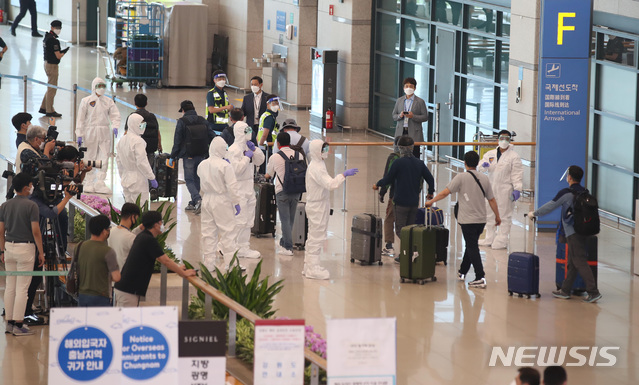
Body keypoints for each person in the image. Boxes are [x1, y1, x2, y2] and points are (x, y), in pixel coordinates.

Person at [425, 151, 501, 289]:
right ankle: (462, 272)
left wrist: (431, 202)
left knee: (472, 247)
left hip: (468, 219)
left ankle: (480, 277)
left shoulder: (461, 177)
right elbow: (492, 199)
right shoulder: (484, 178)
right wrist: (497, 216)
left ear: (465, 163)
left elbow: (445, 193)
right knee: (470, 245)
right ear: (477, 163)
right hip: (480, 220)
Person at [529, 165, 602, 303]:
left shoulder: (566, 193)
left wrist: (535, 213)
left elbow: (551, 205)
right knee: (573, 262)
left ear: (569, 177)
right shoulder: (584, 192)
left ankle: (593, 292)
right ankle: (565, 290)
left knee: (579, 260)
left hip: (573, 232)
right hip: (584, 231)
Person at [114, 211, 196, 307]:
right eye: (161, 222)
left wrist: (177, 267)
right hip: (128, 290)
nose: (162, 225)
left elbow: (162, 258)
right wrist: (183, 273)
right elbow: (165, 261)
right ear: (156, 224)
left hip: (124, 287)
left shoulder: (142, 236)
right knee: (126, 320)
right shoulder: (149, 240)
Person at [373, 136, 435, 262]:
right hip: (413, 202)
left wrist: (377, 184)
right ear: (412, 148)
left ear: (400, 148)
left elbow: (388, 179)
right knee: (410, 228)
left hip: (400, 202)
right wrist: (430, 193)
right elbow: (430, 179)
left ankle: (411, 252)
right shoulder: (419, 163)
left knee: (401, 231)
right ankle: (406, 254)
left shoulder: (398, 162)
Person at [304, 140, 358, 279]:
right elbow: (331, 184)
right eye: (324, 149)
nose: (326, 151)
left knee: (314, 236)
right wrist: (343, 175)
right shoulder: (317, 167)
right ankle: (312, 268)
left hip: (318, 204)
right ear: (317, 150)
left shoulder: (318, 163)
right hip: (317, 206)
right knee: (317, 237)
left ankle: (309, 265)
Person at [0, 173, 45, 336]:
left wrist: (2, 250)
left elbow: (1, 231)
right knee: (22, 289)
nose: (32, 188)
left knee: (10, 287)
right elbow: (36, 231)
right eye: (31, 185)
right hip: (25, 249)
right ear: (26, 187)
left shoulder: (5, 205)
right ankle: (19, 324)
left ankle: (9, 323)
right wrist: (41, 252)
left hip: (9, 248)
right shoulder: (31, 206)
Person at [197, 137, 242, 269]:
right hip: (221, 200)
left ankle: (209, 263)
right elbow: (232, 186)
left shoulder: (202, 164)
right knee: (228, 232)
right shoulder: (225, 165)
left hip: (207, 199)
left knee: (208, 232)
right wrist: (236, 202)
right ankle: (231, 263)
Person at [477, 130, 523, 249]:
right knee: (489, 213)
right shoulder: (490, 154)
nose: (504, 141)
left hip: (505, 189)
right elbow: (480, 167)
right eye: (502, 138)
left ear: (510, 140)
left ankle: (502, 240)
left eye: (507, 139)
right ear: (498, 139)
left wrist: (517, 188)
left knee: (504, 214)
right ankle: (489, 237)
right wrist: (484, 166)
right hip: (491, 187)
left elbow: (517, 174)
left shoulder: (514, 157)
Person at [76, 77, 121, 194]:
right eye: (99, 86)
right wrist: (79, 134)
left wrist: (115, 126)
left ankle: (100, 182)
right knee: (89, 155)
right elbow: (80, 119)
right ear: (93, 87)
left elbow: (115, 115)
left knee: (104, 156)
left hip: (104, 131)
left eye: (103, 86)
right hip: (89, 131)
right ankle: (88, 181)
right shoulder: (86, 101)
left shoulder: (108, 101)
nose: (101, 89)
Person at [169, 100, 216, 212]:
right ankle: (193, 202)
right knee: (197, 177)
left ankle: (197, 199)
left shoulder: (182, 121)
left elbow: (177, 141)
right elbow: (212, 136)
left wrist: (173, 156)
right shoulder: (202, 120)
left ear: (183, 110)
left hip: (188, 155)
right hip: (202, 154)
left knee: (189, 179)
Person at [228, 121, 265, 259]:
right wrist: (245, 157)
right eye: (246, 130)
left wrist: (255, 150)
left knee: (249, 219)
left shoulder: (248, 146)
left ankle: (244, 247)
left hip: (249, 186)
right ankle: (230, 246)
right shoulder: (233, 150)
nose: (249, 133)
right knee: (240, 220)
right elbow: (236, 170)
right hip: (238, 188)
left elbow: (260, 161)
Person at [265, 132, 303, 256]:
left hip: (282, 191)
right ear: (289, 142)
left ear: (278, 143)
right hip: (296, 190)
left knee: (284, 219)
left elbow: (268, 175)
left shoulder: (275, 157)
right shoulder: (299, 155)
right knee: (290, 219)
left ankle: (288, 247)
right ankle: (284, 241)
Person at [77, 215, 120, 307]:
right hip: (101, 296)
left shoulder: (80, 246)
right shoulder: (108, 251)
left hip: (82, 294)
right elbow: (116, 277)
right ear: (104, 231)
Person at [116, 113, 158, 206]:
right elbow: (142, 162)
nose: (143, 127)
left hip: (126, 178)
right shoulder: (138, 141)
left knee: (129, 208)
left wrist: (122, 175)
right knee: (141, 207)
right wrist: (151, 177)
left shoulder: (121, 140)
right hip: (138, 179)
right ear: (134, 124)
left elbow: (118, 162)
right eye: (141, 124)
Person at [376, 137, 403, 255]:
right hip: (411, 196)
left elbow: (387, 177)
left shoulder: (393, 158)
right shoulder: (414, 159)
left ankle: (389, 246)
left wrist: (382, 192)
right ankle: (409, 247)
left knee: (389, 219)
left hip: (396, 195)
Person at [392, 77, 428, 158]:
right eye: (406, 86)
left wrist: (413, 116)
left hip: (414, 132)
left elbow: (425, 117)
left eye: (411, 86)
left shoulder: (420, 102)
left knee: (414, 154)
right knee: (399, 153)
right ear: (404, 88)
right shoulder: (399, 100)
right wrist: (400, 115)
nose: (408, 88)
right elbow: (394, 115)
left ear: (414, 88)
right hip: (401, 131)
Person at [124, 94, 162, 168]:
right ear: (146, 103)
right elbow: (157, 132)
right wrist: (159, 145)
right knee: (148, 170)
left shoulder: (132, 116)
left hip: (136, 148)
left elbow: (126, 132)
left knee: (137, 170)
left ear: (135, 103)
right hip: (150, 147)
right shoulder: (152, 116)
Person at [40, 20, 68, 118]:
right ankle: (49, 110)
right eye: (57, 28)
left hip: (46, 63)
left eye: (59, 28)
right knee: (52, 88)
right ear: (52, 27)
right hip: (52, 65)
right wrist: (64, 51)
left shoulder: (47, 37)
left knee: (50, 87)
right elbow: (58, 56)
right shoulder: (54, 40)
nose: (58, 30)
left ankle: (43, 107)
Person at [108, 203, 140, 270]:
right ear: (132, 217)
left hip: (111, 275)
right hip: (124, 276)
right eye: (136, 218)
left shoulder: (111, 231)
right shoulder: (131, 237)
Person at [241, 75, 269, 142]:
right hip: (249, 126)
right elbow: (243, 112)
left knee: (261, 143)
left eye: (255, 84)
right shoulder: (247, 98)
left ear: (261, 85)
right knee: (248, 142)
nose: (253, 86)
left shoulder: (267, 97)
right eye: (252, 84)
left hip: (262, 126)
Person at [257, 95, 280, 174]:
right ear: (268, 104)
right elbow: (264, 134)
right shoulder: (269, 117)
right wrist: (261, 143)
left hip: (263, 146)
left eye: (277, 103)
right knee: (267, 170)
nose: (276, 105)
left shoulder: (264, 114)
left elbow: (259, 132)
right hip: (267, 147)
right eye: (274, 103)